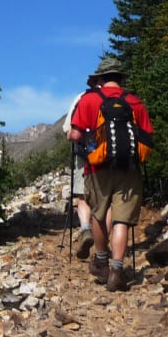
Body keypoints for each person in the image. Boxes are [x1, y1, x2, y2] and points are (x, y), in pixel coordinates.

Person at [66, 58, 153, 292]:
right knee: (122, 220)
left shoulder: (89, 100)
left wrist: (86, 140)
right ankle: (117, 270)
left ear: (100, 79)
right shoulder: (134, 101)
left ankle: (101, 261)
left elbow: (74, 135)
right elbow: (147, 136)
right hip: (129, 169)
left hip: (97, 169)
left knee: (98, 214)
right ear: (121, 78)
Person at [62, 90, 93, 259]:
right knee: (108, 200)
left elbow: (69, 131)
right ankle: (106, 247)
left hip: (85, 155)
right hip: (113, 159)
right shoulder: (123, 97)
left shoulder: (82, 98)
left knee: (83, 196)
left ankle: (86, 229)